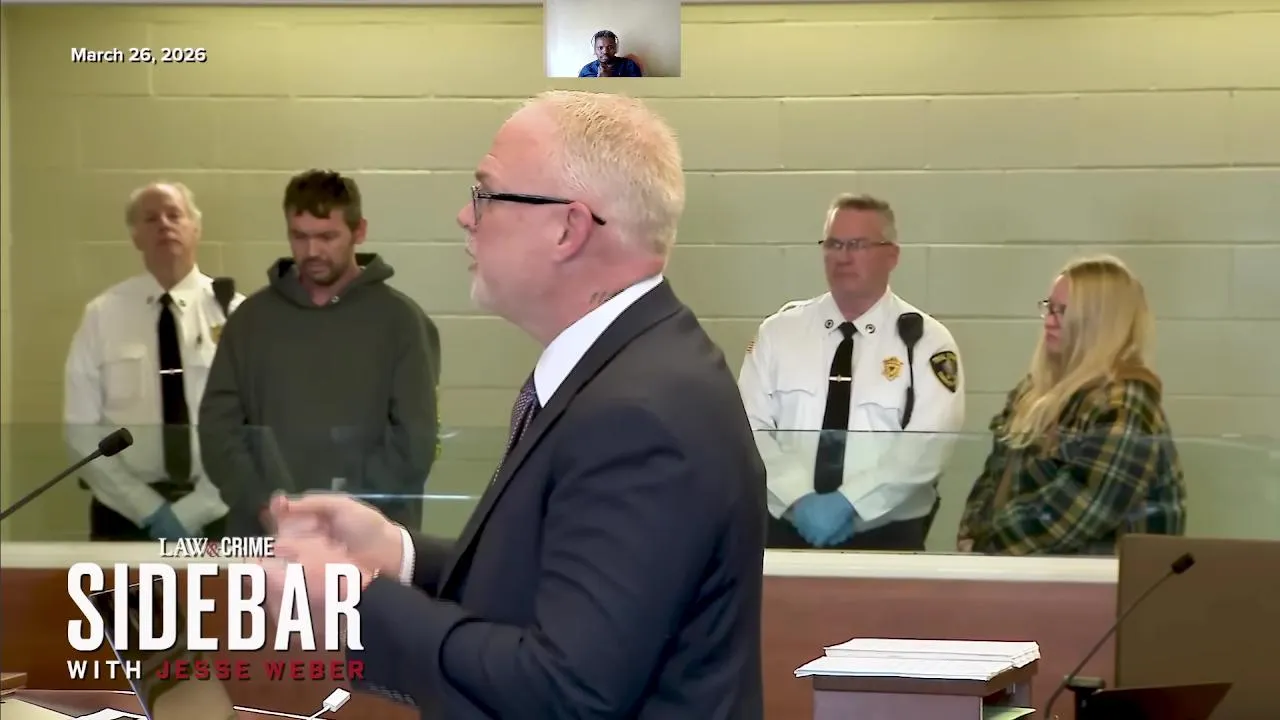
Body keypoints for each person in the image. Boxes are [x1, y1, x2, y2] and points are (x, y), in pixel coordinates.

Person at [260, 91, 766, 720]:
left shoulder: (638, 415)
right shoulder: (631, 369)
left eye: (486, 194)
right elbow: (545, 592)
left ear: (567, 229)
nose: (464, 216)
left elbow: (564, 691)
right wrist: (397, 555)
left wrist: (355, 603)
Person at [198, 170, 441, 535]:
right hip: (268, 535)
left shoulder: (403, 322)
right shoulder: (250, 320)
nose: (312, 252)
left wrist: (345, 515)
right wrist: (265, 506)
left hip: (370, 538)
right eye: (300, 236)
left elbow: (414, 442)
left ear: (359, 231)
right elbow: (219, 431)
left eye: (327, 237)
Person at [739, 194, 965, 551]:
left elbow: (928, 443)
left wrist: (851, 502)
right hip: (787, 529)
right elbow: (749, 427)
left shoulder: (927, 342)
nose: (842, 257)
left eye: (857, 245)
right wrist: (797, 497)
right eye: (833, 244)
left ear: (892, 256)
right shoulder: (779, 334)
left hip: (886, 537)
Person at [957, 255, 1186, 555]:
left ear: (1100, 323)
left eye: (1064, 312)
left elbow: (1078, 512)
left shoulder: (1125, 404)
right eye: (1049, 308)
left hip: (1096, 577)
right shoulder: (1033, 392)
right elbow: (993, 479)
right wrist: (971, 533)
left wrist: (987, 545)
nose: (1049, 321)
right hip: (1021, 568)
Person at [64, 182, 242, 541]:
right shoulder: (102, 315)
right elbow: (80, 431)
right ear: (135, 237)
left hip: (219, 513)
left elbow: (258, 426)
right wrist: (146, 508)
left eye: (175, 215)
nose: (164, 224)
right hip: (123, 515)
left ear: (196, 228)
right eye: (151, 218)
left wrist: (198, 508)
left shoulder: (238, 314)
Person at [578, 30, 643, 77]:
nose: (605, 51)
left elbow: (638, 88)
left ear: (616, 48)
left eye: (610, 47)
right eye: (600, 48)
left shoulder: (629, 65)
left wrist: (611, 79)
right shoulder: (586, 70)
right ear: (594, 50)